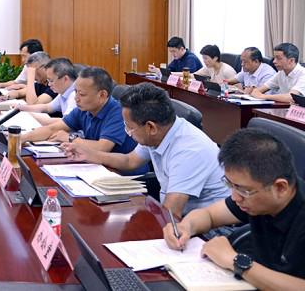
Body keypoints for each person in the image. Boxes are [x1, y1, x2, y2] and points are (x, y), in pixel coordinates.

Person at [163, 129, 305, 288]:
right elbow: (209, 215)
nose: (235, 197)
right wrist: (185, 227)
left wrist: (235, 261)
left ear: (280, 188)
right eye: (230, 185)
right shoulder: (258, 196)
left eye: (243, 190)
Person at [65, 82, 230, 217]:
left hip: (208, 228)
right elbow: (130, 160)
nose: (128, 133)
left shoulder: (189, 150)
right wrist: (90, 154)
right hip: (175, 213)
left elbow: (172, 213)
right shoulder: (160, 132)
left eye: (129, 128)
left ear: (151, 127)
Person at [21, 67, 143, 168]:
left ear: (102, 95)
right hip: (94, 166)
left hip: (121, 175)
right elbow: (52, 129)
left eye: (82, 94)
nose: (76, 98)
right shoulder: (83, 109)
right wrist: (21, 139)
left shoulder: (118, 112)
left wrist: (70, 138)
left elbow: (102, 147)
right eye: (75, 92)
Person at [20, 57, 78, 123]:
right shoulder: (64, 92)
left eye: (51, 80)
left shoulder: (75, 95)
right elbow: (47, 107)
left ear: (65, 79)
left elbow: (66, 123)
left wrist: (31, 116)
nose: (49, 84)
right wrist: (22, 108)